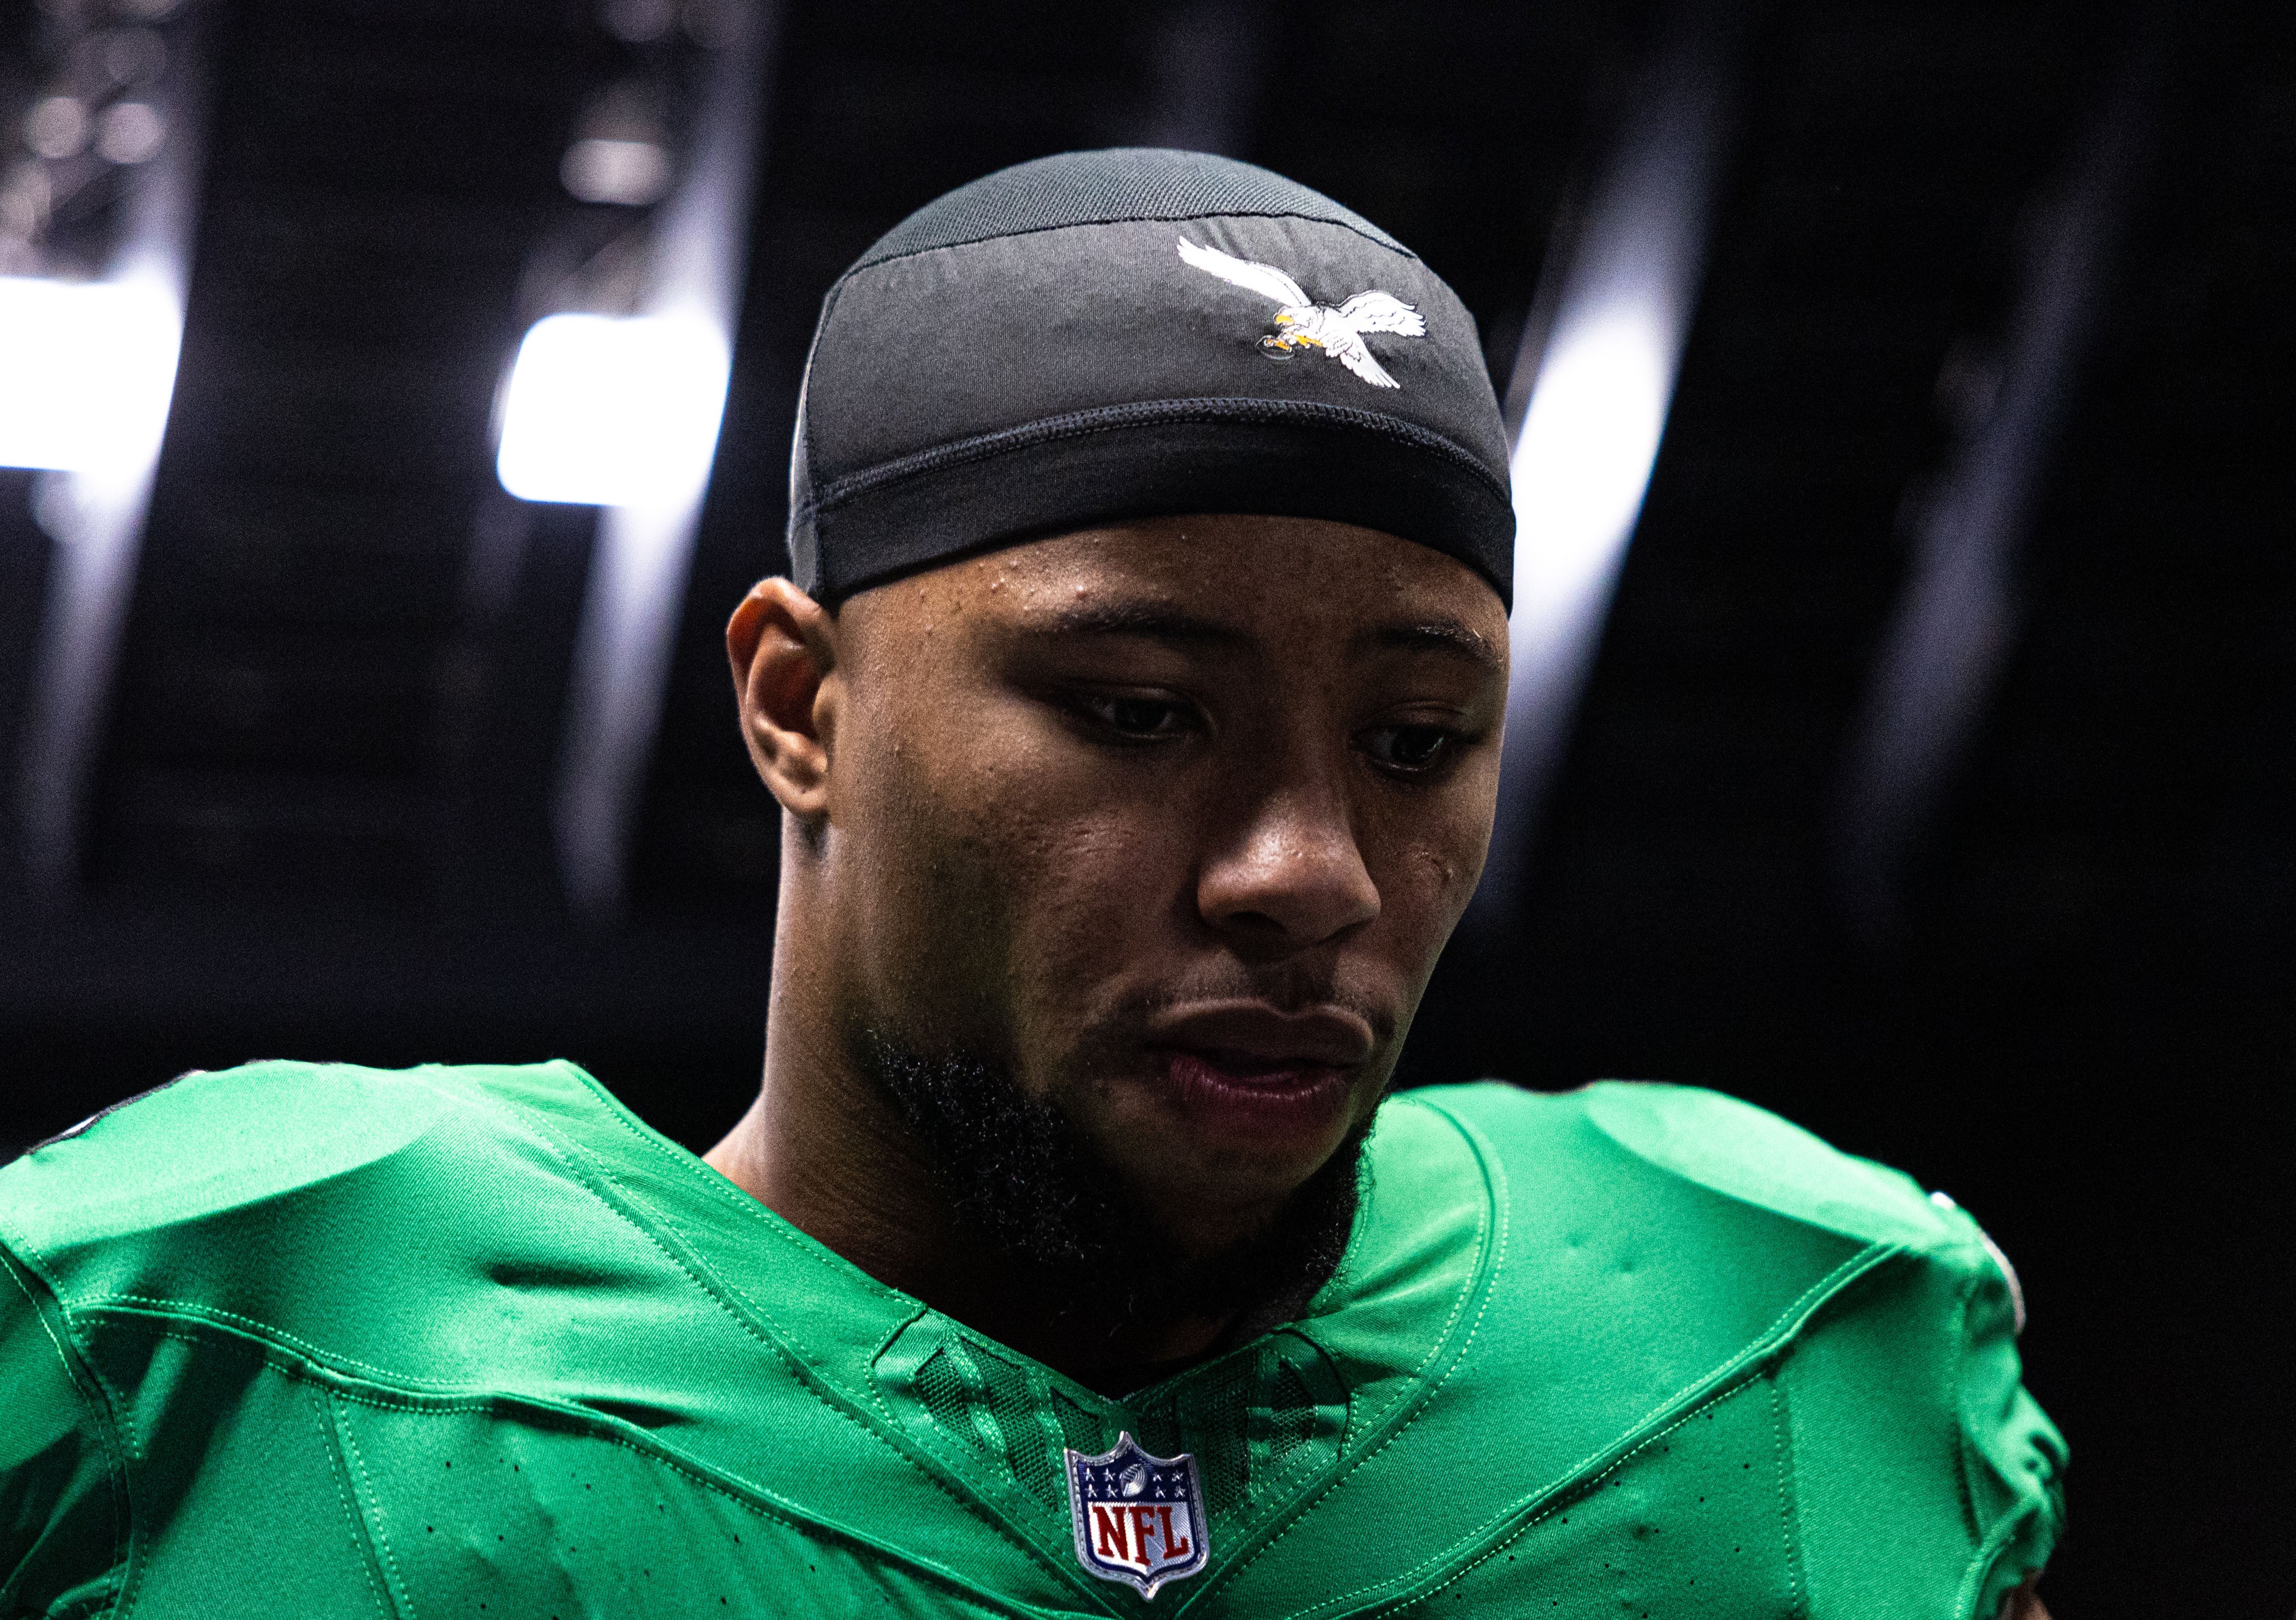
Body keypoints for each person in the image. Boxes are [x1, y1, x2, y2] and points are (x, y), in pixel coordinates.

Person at [0, 149, 2061, 1618]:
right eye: (1143, 710)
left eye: (1419, 740)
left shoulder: (1781, 1331)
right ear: (801, 702)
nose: (1308, 869)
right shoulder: (196, 1333)